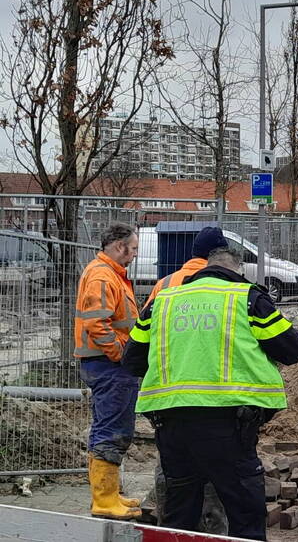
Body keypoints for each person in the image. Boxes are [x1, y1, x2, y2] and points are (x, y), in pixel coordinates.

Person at [122, 246, 298, 541]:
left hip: (171, 423)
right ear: (237, 272)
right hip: (230, 423)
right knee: (245, 512)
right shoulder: (246, 298)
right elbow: (293, 348)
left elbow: (131, 360)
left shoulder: (163, 302)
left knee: (179, 513)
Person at [144, 226, 230, 534]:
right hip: (213, 396)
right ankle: (211, 530)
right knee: (211, 476)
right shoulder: (227, 285)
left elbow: (144, 336)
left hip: (167, 394)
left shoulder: (165, 283)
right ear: (218, 255)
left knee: (171, 468)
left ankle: (165, 518)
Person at [75, 221, 142, 520]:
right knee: (112, 430)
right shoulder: (103, 276)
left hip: (106, 365)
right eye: (134, 249)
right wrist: (120, 355)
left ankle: (109, 494)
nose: (135, 255)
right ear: (119, 246)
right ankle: (104, 500)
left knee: (110, 426)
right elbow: (96, 322)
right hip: (109, 366)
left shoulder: (109, 274)